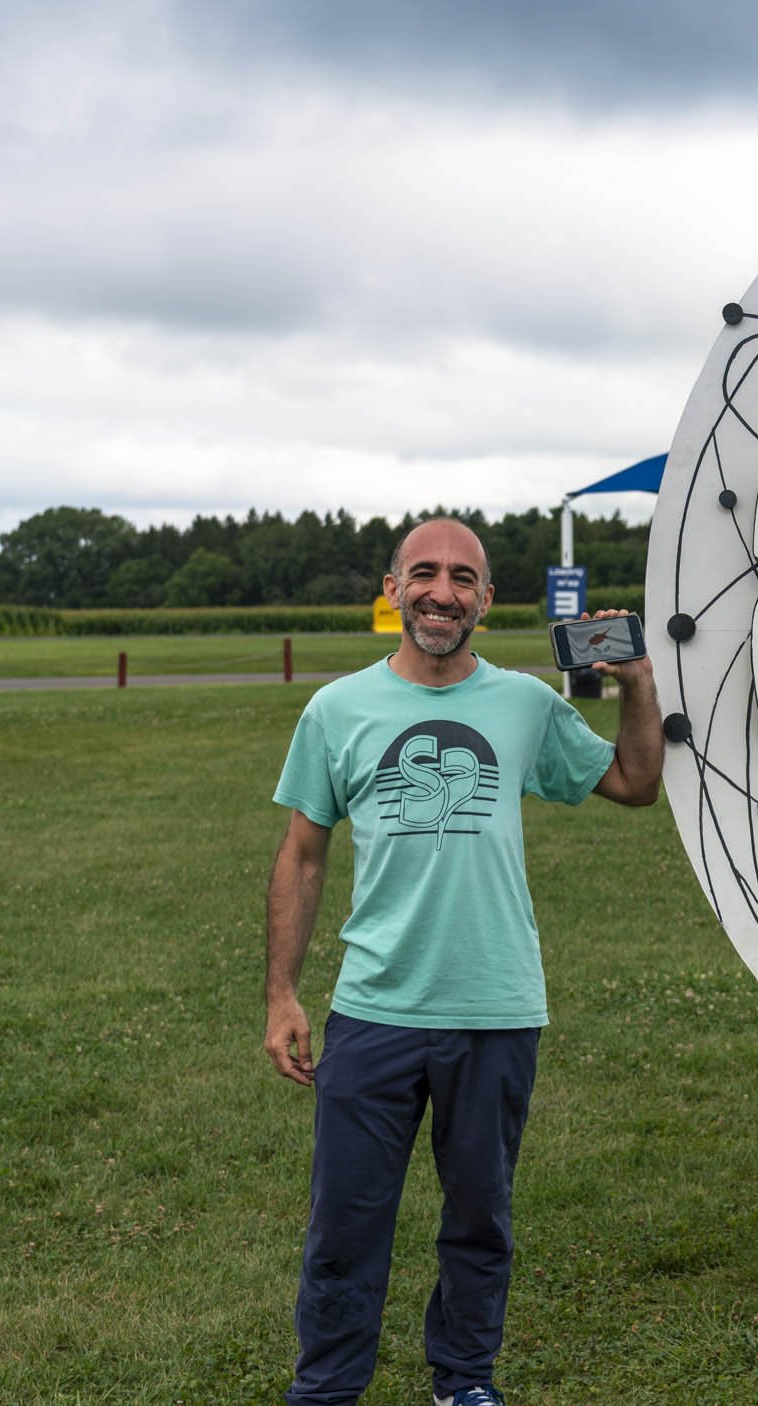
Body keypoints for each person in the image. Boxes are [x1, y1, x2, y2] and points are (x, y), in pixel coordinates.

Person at [263, 517, 661, 1406]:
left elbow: (635, 784)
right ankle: (327, 1389)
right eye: (425, 574)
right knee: (344, 1226)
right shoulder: (337, 709)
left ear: (487, 599)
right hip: (374, 1010)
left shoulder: (524, 704)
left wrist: (635, 684)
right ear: (394, 586)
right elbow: (302, 853)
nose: (443, 592)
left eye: (463, 578)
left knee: (480, 1220)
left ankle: (464, 1381)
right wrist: (283, 995)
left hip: (496, 1007)